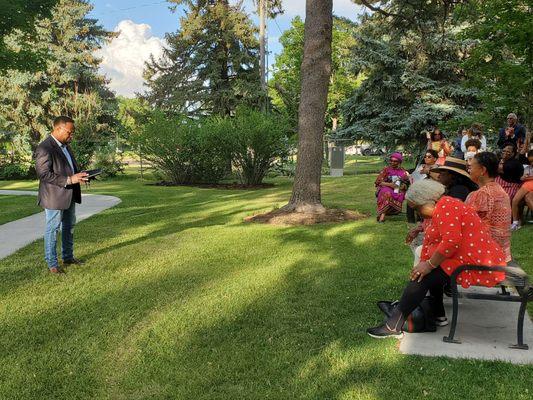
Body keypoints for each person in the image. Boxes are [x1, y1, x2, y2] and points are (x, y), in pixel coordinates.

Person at [367, 179, 507, 338]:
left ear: (428, 201)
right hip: (467, 256)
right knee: (429, 272)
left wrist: (429, 264)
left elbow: (452, 241)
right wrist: (426, 261)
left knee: (424, 276)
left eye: (418, 209)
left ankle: (392, 326)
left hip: (476, 261)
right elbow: (438, 238)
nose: (419, 214)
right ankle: (438, 315)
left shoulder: (446, 207)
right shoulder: (443, 205)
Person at [34, 116, 89, 273]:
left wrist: (80, 176)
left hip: (69, 193)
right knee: (53, 228)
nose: (71, 136)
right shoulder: (45, 147)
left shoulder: (65, 145)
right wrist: (70, 179)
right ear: (58, 128)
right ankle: (52, 264)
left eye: (72, 133)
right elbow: (43, 174)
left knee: (69, 225)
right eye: (69, 132)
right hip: (54, 197)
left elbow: (68, 168)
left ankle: (68, 257)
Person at [466, 152, 512, 263]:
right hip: (503, 253)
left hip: (486, 255)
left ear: (483, 170)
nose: (469, 170)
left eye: (471, 167)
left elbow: (466, 225)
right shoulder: (500, 190)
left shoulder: (482, 194)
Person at [375, 152, 409, 223]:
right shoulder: (386, 170)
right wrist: (390, 185)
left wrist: (403, 186)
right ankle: (382, 215)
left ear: (399, 162)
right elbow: (378, 182)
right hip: (386, 186)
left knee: (399, 194)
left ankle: (388, 211)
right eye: (391, 161)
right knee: (387, 193)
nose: (392, 162)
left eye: (395, 161)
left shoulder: (403, 172)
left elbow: (406, 184)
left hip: (398, 189)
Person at [510, 149, 533, 231]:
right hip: (527, 185)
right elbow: (522, 177)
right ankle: (516, 222)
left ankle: (515, 223)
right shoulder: (527, 167)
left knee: (516, 200)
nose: (532, 163)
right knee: (524, 198)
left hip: (529, 184)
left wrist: (526, 178)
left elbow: (525, 178)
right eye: (530, 161)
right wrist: (523, 178)